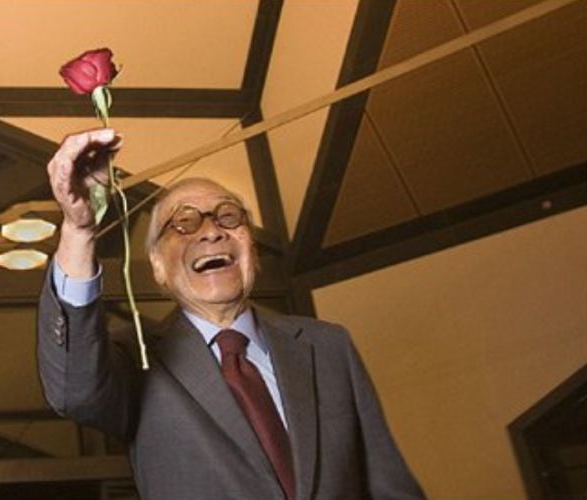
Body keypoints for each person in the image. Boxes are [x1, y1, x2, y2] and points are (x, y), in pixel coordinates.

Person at [37, 128, 424, 499]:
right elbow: (75, 392)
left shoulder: (328, 346)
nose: (211, 232)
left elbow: (390, 487)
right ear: (157, 265)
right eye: (184, 222)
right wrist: (79, 230)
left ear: (251, 247)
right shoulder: (135, 360)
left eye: (228, 216)